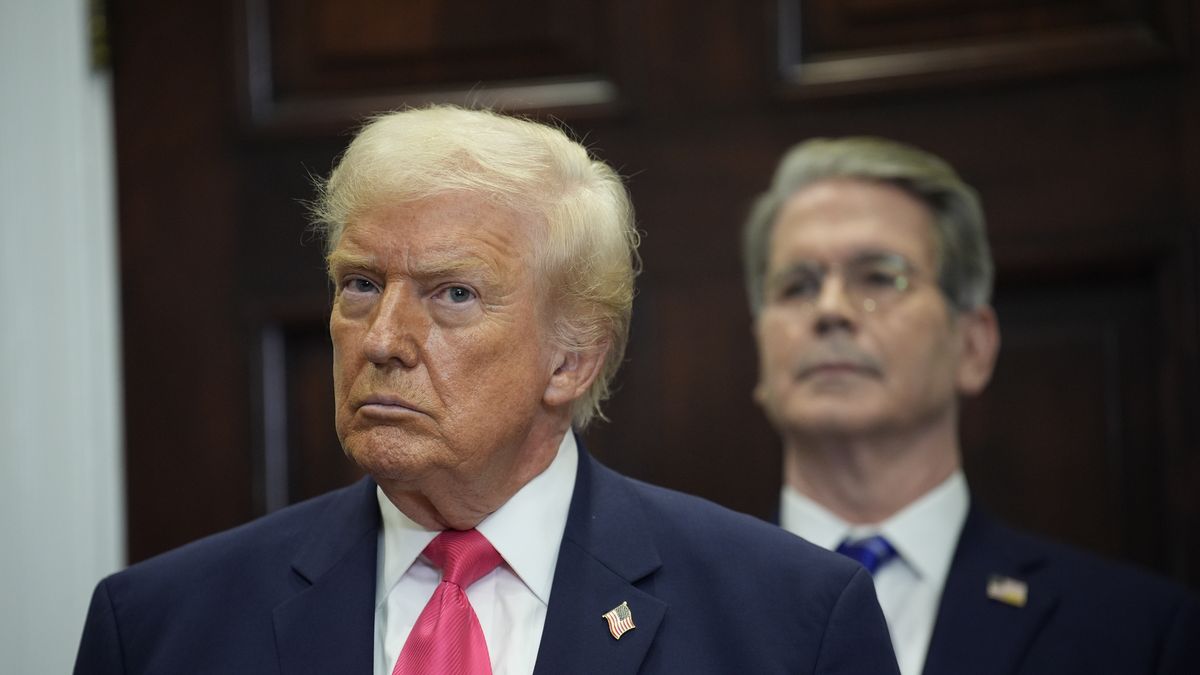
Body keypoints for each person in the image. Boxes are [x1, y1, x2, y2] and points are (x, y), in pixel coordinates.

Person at [73, 107, 900, 675]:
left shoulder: (790, 622)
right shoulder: (158, 628)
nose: (385, 339)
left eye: (453, 294)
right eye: (359, 283)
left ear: (570, 361)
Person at [742, 136, 1200, 675]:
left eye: (879, 277)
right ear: (761, 350)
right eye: (797, 285)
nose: (830, 310)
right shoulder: (678, 606)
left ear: (974, 346)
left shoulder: (1136, 633)